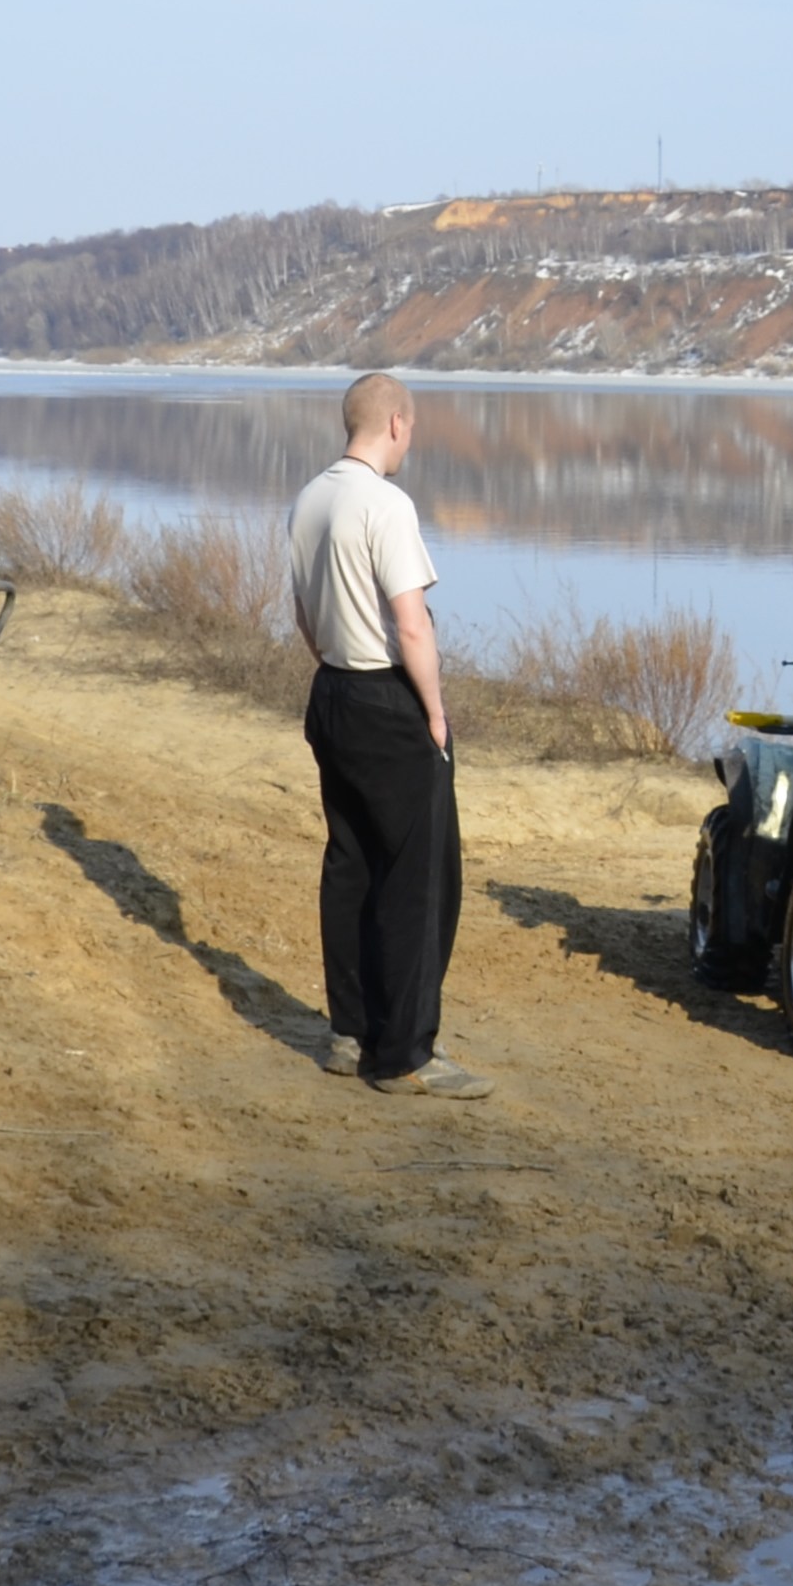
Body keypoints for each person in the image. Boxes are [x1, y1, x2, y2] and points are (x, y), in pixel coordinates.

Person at [288, 372, 481, 1098]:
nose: (410, 440)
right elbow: (412, 623)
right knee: (419, 879)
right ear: (395, 423)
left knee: (351, 865)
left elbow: (303, 612)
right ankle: (404, 1055)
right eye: (412, 427)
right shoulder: (385, 504)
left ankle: (352, 1033)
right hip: (386, 699)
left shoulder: (310, 497)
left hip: (332, 690)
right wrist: (434, 713)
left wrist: (334, 668)